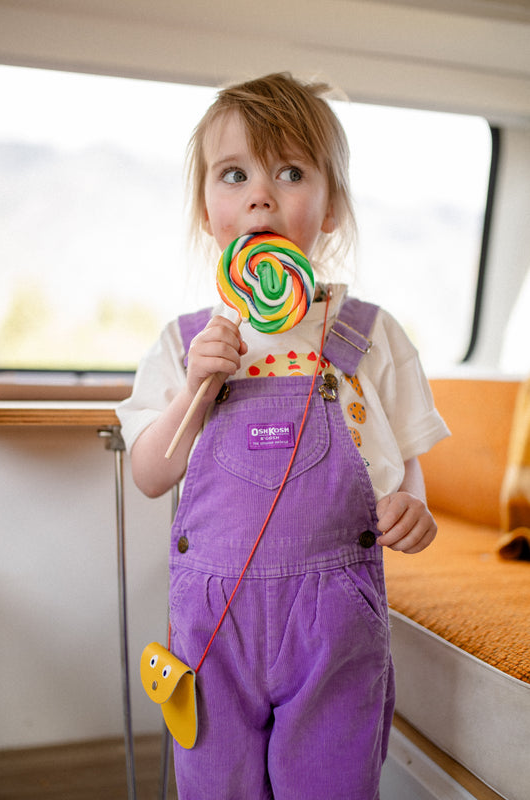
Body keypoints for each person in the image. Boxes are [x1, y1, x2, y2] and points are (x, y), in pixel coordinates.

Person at [117, 72, 450, 800]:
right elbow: (148, 473)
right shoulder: (184, 344)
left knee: (331, 783)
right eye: (234, 174)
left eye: (290, 172)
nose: (261, 195)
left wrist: (412, 511)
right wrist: (197, 391)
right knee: (216, 785)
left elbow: (405, 467)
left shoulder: (367, 334)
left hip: (334, 625)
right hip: (214, 633)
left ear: (328, 208)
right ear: (209, 212)